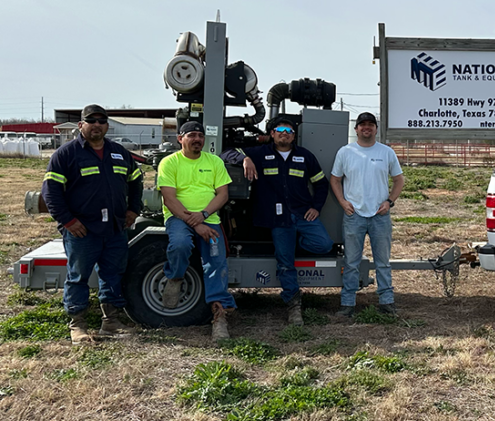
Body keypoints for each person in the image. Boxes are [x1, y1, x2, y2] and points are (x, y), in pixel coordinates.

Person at [42, 104, 143, 342]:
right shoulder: (66, 155)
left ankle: (111, 322)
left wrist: (133, 209)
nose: (97, 125)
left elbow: (136, 181)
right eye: (91, 120)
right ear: (81, 125)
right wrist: (67, 221)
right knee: (78, 276)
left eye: (101, 121)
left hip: (115, 228)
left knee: (113, 274)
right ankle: (77, 324)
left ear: (107, 125)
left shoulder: (119, 152)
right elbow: (51, 192)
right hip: (82, 230)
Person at [223, 117, 332, 326]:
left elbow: (321, 184)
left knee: (324, 244)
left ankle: (295, 245)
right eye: (280, 129)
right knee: (285, 264)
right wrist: (244, 160)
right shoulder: (259, 154)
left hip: (302, 214)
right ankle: (293, 305)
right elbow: (225, 152)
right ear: (272, 134)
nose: (285, 133)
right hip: (278, 219)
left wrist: (315, 208)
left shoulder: (305, 156)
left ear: (294, 135)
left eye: (289, 130)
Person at [157, 121, 237, 340]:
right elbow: (169, 198)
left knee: (216, 261)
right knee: (181, 244)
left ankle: (219, 316)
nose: (197, 139)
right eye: (191, 135)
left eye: (200, 136)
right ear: (180, 139)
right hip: (179, 217)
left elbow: (222, 194)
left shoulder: (214, 162)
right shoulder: (169, 162)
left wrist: (202, 216)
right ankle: (175, 278)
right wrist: (195, 223)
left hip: (208, 218)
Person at [330, 112, 405, 317]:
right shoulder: (346, 152)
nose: (366, 128)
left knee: (383, 262)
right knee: (351, 262)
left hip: (380, 216)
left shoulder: (386, 152)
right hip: (354, 215)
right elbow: (335, 179)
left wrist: (389, 202)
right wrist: (343, 202)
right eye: (362, 124)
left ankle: (387, 302)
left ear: (375, 129)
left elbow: (399, 180)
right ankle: (348, 304)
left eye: (370, 124)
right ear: (356, 129)